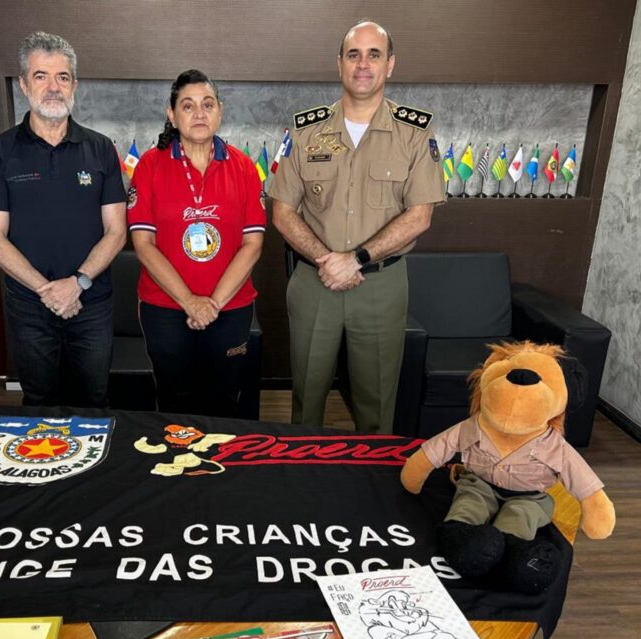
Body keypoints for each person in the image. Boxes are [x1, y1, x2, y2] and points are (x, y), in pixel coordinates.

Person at [270, 20, 446, 433]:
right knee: (306, 399)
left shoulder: (414, 133)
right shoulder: (305, 130)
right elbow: (282, 211)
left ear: (390, 65)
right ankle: (303, 468)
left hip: (380, 285)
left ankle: (371, 473)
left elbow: (420, 214)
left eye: (374, 55)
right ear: (340, 64)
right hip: (314, 282)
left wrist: (356, 258)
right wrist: (328, 260)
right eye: (354, 55)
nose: (363, 64)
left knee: (377, 404)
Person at [0, 31, 127, 407]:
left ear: (74, 84)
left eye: (62, 77)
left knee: (94, 399)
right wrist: (48, 290)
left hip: (90, 303)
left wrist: (77, 284)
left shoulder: (101, 149)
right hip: (30, 305)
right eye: (41, 76)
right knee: (40, 399)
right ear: (24, 84)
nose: (53, 87)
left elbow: (116, 231)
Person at [127, 70, 265, 418]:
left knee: (225, 400)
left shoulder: (244, 167)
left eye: (208, 104)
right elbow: (143, 244)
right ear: (172, 115)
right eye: (188, 106)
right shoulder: (150, 165)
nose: (199, 113)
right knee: (175, 400)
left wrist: (212, 304)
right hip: (166, 308)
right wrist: (189, 301)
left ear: (220, 111)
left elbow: (253, 244)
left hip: (229, 308)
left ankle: (223, 455)